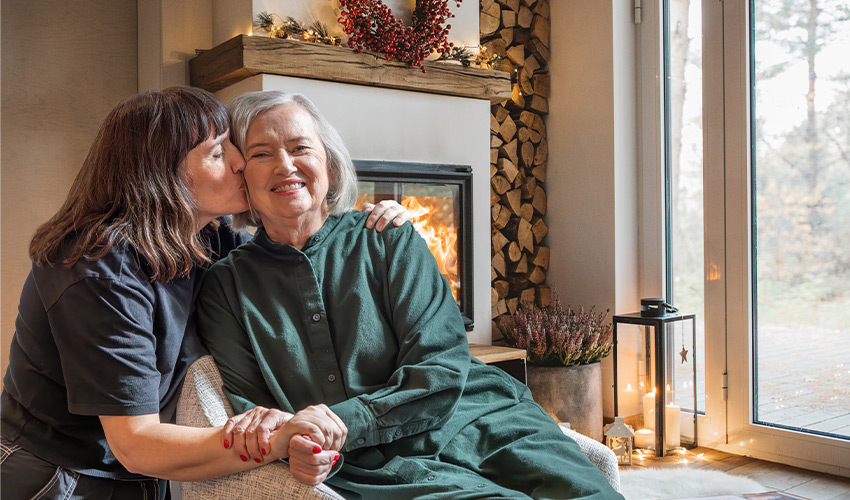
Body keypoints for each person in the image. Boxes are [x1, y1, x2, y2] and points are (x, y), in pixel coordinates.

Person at [197, 90, 624, 499]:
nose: (285, 165)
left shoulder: (388, 237)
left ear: (328, 161)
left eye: (300, 148)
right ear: (241, 176)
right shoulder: (225, 287)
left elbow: (439, 367)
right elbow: (258, 415)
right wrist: (301, 445)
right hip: (371, 465)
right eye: (261, 153)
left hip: (477, 417)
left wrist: (336, 423)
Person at [0, 86, 409, 499]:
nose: (239, 162)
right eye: (218, 153)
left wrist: (369, 227)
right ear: (163, 174)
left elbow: (294, 253)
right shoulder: (101, 270)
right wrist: (276, 438)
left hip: (136, 475)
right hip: (56, 475)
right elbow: (135, 443)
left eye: (232, 146)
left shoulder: (207, 240)